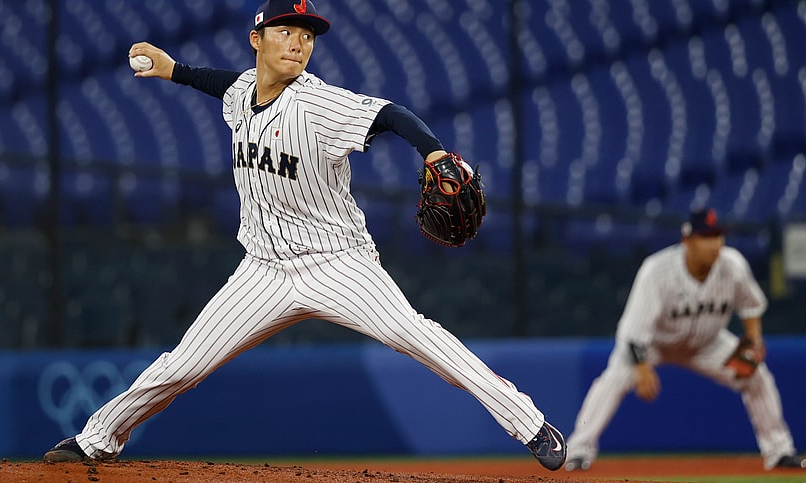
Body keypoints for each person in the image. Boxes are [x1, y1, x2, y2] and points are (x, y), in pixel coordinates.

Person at [43, 0, 566, 470]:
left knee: (420, 337)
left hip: (338, 264)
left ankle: (530, 424)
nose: (297, 42)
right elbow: (222, 83)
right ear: (258, 39)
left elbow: (390, 113)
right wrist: (174, 71)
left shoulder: (318, 104)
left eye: (307, 35)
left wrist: (431, 151)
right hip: (263, 269)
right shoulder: (243, 92)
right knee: (182, 365)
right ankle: (97, 440)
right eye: (285, 30)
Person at [564, 208, 806, 472]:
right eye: (706, 237)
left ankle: (779, 452)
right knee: (613, 380)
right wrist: (642, 368)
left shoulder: (732, 264)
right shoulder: (657, 271)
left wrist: (753, 339)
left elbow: (751, 306)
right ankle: (578, 452)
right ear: (687, 241)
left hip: (708, 344)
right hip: (654, 345)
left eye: (718, 236)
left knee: (756, 375)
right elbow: (632, 332)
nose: (715, 244)